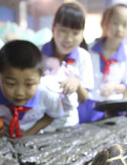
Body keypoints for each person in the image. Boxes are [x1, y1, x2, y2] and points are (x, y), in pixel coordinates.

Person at [0, 40, 64, 138]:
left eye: (29, 84)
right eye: (11, 84)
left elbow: (53, 114)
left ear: (40, 78)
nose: (19, 93)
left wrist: (31, 132)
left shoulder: (49, 97)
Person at [79, 1, 127, 123]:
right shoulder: (89, 50)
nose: (119, 29)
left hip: (113, 107)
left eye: (125, 25)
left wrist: (115, 87)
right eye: (115, 23)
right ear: (105, 23)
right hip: (87, 105)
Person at [40, 1, 93, 130]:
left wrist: (77, 84)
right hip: (40, 123)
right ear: (53, 28)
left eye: (75, 33)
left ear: (82, 34)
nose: (68, 39)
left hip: (69, 124)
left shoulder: (83, 57)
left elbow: (84, 98)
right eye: (63, 31)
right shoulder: (39, 54)